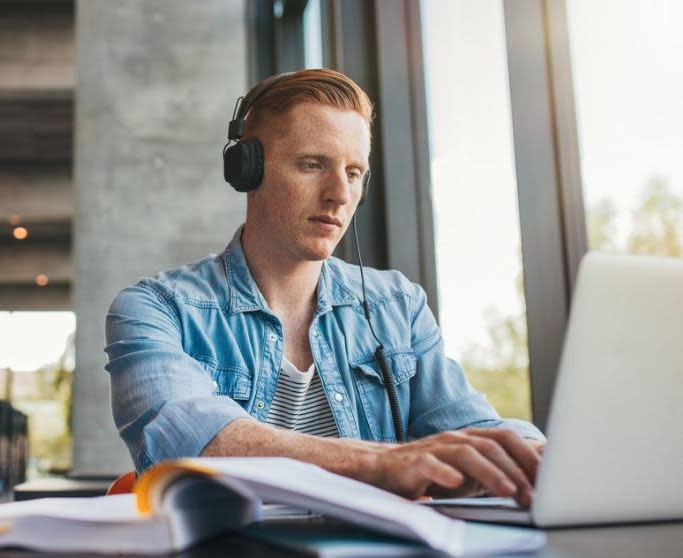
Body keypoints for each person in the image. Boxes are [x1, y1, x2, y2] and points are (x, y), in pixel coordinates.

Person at [104, 69, 545, 508]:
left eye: (354, 173)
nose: (339, 194)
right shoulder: (155, 309)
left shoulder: (398, 305)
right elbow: (191, 443)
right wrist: (385, 463)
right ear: (247, 170)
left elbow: (473, 429)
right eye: (312, 165)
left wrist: (535, 456)